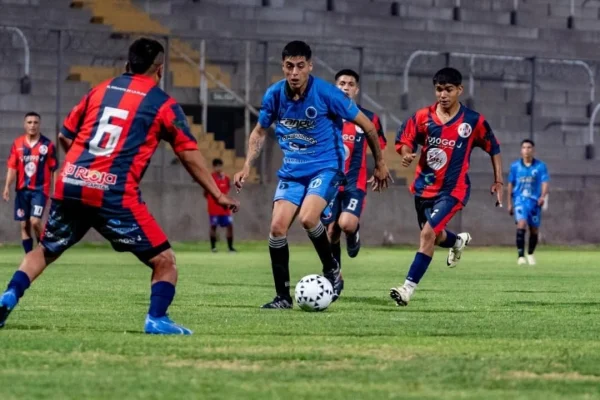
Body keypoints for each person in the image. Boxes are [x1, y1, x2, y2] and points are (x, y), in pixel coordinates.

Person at [0, 38, 239, 334]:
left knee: (45, 250)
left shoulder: (98, 91)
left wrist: (81, 169)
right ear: (160, 70)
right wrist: (216, 192)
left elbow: (65, 135)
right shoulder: (163, 104)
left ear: (127, 65)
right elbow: (188, 154)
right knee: (165, 261)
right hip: (112, 193)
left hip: (70, 182)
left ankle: (9, 295)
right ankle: (157, 319)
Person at [234, 41, 391, 309]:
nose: (294, 72)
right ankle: (283, 298)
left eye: (300, 66)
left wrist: (380, 163)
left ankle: (332, 270)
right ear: (283, 66)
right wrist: (247, 164)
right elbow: (259, 132)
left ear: (310, 66)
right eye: (289, 66)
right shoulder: (274, 95)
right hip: (292, 172)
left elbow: (368, 126)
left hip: (326, 167)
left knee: (308, 218)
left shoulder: (327, 94)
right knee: (276, 229)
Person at [391, 67, 503, 307]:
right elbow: (404, 140)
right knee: (435, 236)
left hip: (453, 190)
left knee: (427, 234)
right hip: (424, 189)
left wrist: (499, 181)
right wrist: (407, 153)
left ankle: (407, 289)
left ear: (459, 90)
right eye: (439, 89)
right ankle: (456, 242)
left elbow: (493, 148)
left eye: (448, 90)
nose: (443, 94)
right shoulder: (423, 117)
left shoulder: (473, 121)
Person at [322, 69, 387, 266]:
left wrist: (379, 166)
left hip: (354, 184)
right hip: (328, 184)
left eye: (350, 84)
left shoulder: (368, 118)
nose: (345, 88)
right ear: (335, 87)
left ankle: (353, 233)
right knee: (331, 232)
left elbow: (380, 145)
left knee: (346, 224)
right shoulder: (324, 117)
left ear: (356, 90)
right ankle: (335, 275)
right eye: (342, 83)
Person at [3, 112, 58, 253]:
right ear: (24, 124)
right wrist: (7, 187)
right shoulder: (18, 143)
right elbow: (12, 167)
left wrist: (56, 189)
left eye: (35, 122)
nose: (32, 125)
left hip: (40, 190)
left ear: (39, 124)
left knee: (35, 221)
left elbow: (54, 169)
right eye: (29, 122)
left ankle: (43, 249)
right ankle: (29, 256)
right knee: (24, 224)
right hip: (22, 190)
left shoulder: (47, 145)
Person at [507, 139, 549, 265]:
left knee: (534, 229)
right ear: (521, 150)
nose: (526, 150)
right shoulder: (515, 166)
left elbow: (545, 183)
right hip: (519, 200)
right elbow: (510, 184)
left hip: (534, 202)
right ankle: (520, 256)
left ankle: (530, 253)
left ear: (533, 150)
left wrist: (542, 196)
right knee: (521, 223)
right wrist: (509, 203)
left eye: (529, 147)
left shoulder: (540, 166)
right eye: (524, 147)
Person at [205, 158, 236, 253]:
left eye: (220, 165)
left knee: (230, 225)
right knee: (213, 226)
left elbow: (227, 190)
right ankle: (213, 247)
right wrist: (213, 201)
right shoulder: (210, 178)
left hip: (225, 208)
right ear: (214, 167)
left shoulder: (226, 178)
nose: (218, 168)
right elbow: (205, 192)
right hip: (214, 208)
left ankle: (230, 248)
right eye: (216, 166)